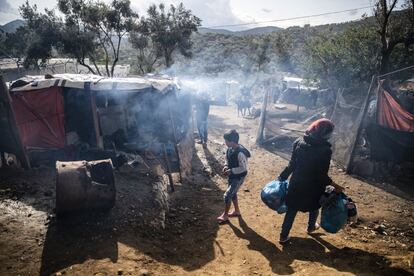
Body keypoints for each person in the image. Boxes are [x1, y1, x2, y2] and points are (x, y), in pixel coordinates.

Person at [277, 118, 344, 243]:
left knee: (292, 209)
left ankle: (283, 236)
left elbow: (292, 164)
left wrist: (282, 177)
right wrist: (335, 185)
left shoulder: (299, 141)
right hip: (313, 186)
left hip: (296, 183)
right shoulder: (325, 150)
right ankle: (311, 227)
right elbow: (321, 175)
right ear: (326, 134)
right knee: (314, 206)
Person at [218, 129, 251, 223]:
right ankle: (236, 211)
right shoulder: (230, 149)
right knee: (233, 193)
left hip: (238, 177)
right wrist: (225, 166)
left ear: (232, 142)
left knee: (227, 195)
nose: (225, 143)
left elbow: (243, 168)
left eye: (226, 141)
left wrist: (231, 171)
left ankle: (225, 215)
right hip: (232, 175)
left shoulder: (240, 153)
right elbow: (227, 159)